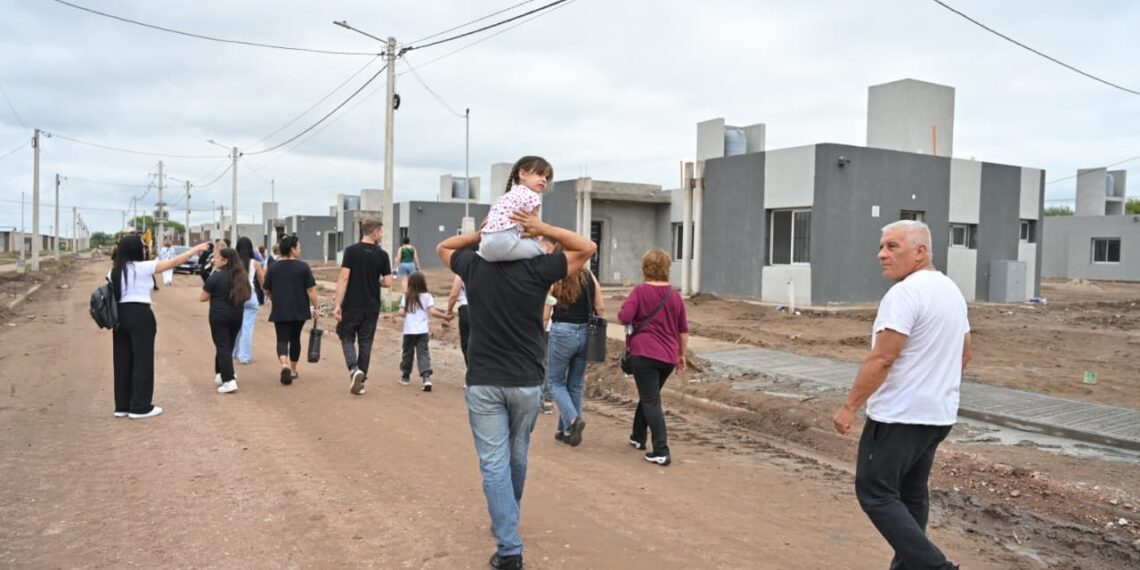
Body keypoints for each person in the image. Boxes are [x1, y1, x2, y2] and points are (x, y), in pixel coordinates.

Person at [438, 208, 595, 570]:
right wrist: (542, 227)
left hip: (484, 380)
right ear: (520, 233)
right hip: (526, 382)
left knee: (494, 463)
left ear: (495, 234)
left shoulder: (474, 267)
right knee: (518, 455)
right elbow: (587, 247)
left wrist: (482, 236)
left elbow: (443, 246)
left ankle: (508, 544)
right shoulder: (538, 269)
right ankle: (507, 518)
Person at [832, 220, 970, 570]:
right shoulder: (950, 290)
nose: (881, 254)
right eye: (881, 246)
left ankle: (938, 568)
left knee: (875, 492)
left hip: (900, 415)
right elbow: (964, 354)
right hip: (937, 415)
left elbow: (883, 358)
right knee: (910, 494)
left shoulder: (905, 293)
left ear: (920, 251)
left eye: (892, 246)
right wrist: (935, 384)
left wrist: (849, 406)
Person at [110, 235, 209, 419]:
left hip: (119, 317)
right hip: (140, 314)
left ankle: (122, 405)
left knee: (122, 360)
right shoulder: (144, 267)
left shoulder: (114, 271)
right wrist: (194, 250)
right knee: (142, 360)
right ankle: (140, 406)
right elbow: (174, 262)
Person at [617, 248, 689, 466]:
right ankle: (638, 437)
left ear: (645, 268)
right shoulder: (674, 295)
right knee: (650, 396)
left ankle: (661, 449)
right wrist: (681, 355)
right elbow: (683, 330)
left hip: (644, 354)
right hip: (667, 357)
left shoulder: (639, 292)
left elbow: (623, 317)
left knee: (650, 400)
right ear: (667, 268)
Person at [546, 246, 605, 446]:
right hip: (585, 333)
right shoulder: (589, 277)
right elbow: (601, 308)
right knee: (575, 384)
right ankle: (566, 431)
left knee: (555, 382)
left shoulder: (555, 277)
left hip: (562, 331)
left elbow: (545, 315)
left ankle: (572, 420)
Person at [334, 218, 392, 396]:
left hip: (352, 305)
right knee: (366, 342)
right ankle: (361, 382)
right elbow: (388, 282)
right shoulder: (382, 255)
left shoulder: (351, 251)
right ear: (374, 232)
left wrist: (337, 304)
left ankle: (353, 370)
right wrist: (375, 282)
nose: (381, 235)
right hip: (371, 306)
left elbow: (344, 278)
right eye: (380, 232)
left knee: (346, 335)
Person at [262, 236, 319, 385]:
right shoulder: (303, 267)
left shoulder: (274, 267)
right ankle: (293, 370)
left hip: (280, 308)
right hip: (299, 309)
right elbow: (311, 289)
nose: (300, 250)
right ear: (293, 249)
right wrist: (316, 306)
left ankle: (284, 364)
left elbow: (266, 288)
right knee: (295, 339)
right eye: (298, 247)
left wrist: (273, 295)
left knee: (282, 339)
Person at [477, 156, 552, 262]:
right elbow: (534, 227)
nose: (544, 180)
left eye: (546, 178)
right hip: (507, 243)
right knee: (543, 251)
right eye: (540, 174)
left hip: (485, 248)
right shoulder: (532, 196)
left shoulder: (505, 197)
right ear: (522, 174)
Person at [199, 248, 251, 394]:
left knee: (222, 345)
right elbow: (247, 295)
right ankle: (222, 373)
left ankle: (229, 380)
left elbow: (202, 297)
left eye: (217, 258)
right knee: (227, 345)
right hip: (237, 314)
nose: (215, 260)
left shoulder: (216, 276)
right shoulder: (241, 277)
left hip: (219, 315)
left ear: (225, 260)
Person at [398, 271, 452, 391]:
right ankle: (426, 377)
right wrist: (445, 316)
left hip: (409, 331)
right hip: (422, 331)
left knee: (408, 353)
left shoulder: (406, 296)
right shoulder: (427, 296)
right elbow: (432, 312)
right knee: (423, 354)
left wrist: (404, 310)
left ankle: (405, 376)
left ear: (410, 284)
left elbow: (401, 312)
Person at [233, 237, 266, 365]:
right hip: (250, 296)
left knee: (236, 326)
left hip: (236, 296)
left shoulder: (233, 263)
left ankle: (234, 352)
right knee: (247, 327)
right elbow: (263, 281)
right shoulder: (255, 263)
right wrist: (267, 293)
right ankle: (245, 356)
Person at [446, 275, 470, 366]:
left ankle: (472, 371)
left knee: (467, 344)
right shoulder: (484, 269)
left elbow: (454, 295)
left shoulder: (461, 272)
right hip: (483, 310)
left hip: (466, 309)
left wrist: (449, 310)